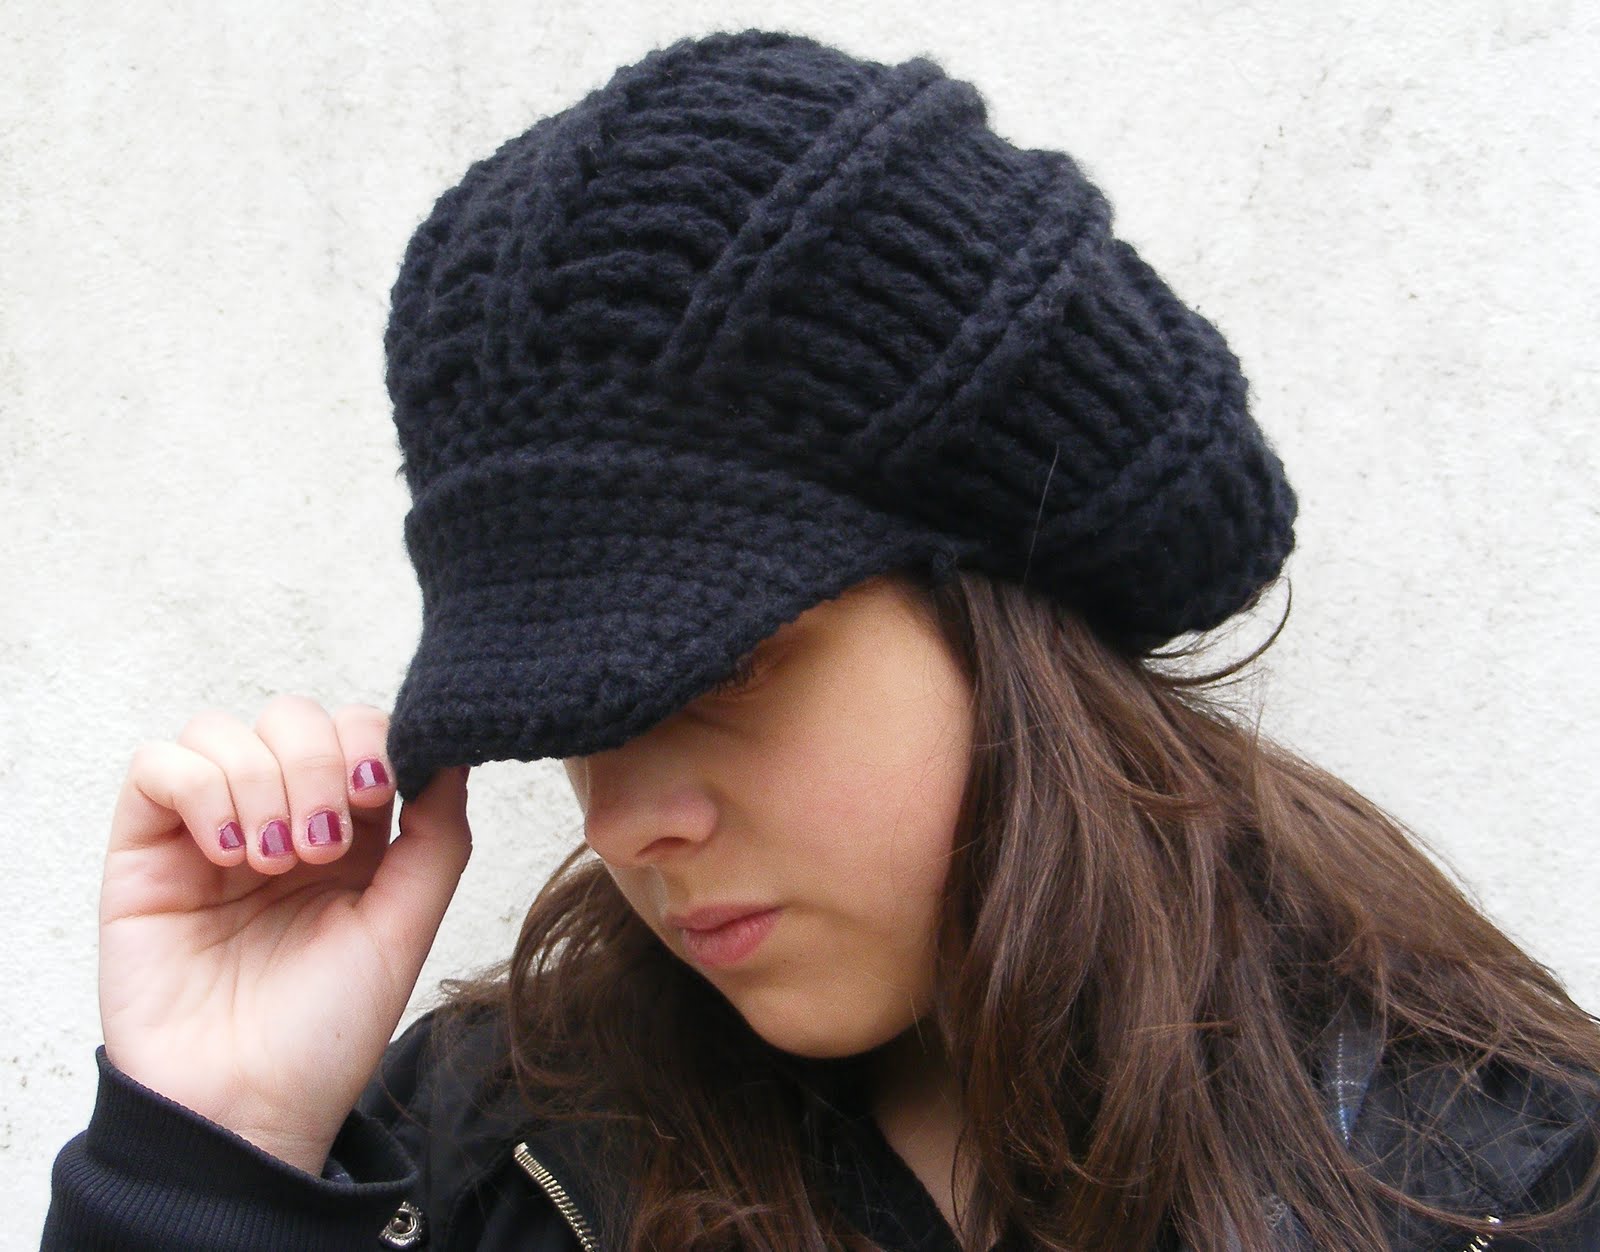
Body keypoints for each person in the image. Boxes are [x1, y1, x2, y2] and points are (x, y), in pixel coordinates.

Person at [39, 26, 1600, 1252]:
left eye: (724, 670)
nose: (628, 824)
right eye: (570, 721)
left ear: (1003, 622)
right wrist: (210, 1158)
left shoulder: (1506, 1186)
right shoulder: (475, 1157)